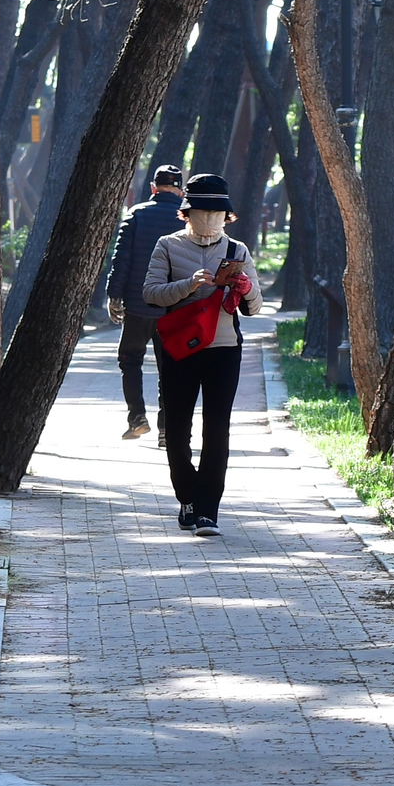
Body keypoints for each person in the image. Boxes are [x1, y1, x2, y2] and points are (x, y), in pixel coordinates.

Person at [144, 171, 263, 536]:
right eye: (201, 212)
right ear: (187, 212)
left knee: (218, 429)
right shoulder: (167, 245)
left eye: (217, 214)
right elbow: (151, 293)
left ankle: (208, 508)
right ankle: (188, 498)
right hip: (178, 347)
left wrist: (244, 288)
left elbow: (255, 307)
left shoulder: (237, 250)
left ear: (227, 216)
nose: (210, 220)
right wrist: (189, 284)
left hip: (224, 348)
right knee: (177, 429)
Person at [106, 163, 185, 441]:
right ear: (180, 189)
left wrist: (115, 296)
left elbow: (122, 259)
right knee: (171, 368)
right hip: (174, 309)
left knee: (129, 360)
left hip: (139, 306)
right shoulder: (187, 220)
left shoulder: (136, 214)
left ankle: (137, 417)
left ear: (153, 188)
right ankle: (167, 429)